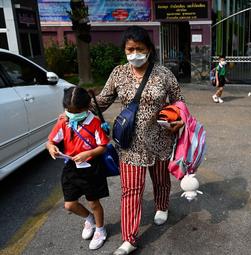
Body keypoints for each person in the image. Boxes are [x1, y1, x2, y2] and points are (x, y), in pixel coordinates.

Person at [90, 26, 184, 255]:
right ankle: (129, 238)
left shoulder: (164, 74)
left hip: (160, 139)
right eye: (130, 49)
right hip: (129, 144)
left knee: (161, 180)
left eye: (139, 49)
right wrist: (78, 108)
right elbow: (102, 101)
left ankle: (162, 206)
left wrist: (178, 121)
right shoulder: (118, 73)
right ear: (124, 50)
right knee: (130, 191)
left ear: (149, 50)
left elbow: (179, 102)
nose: (135, 53)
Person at [46, 87, 110, 250]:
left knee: (93, 203)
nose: (71, 114)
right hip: (71, 168)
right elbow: (51, 141)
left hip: (91, 168)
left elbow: (103, 146)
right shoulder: (63, 121)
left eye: (74, 111)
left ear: (86, 108)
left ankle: (100, 229)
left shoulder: (94, 122)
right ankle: (90, 220)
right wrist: (51, 147)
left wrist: (88, 153)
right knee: (69, 204)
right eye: (68, 110)